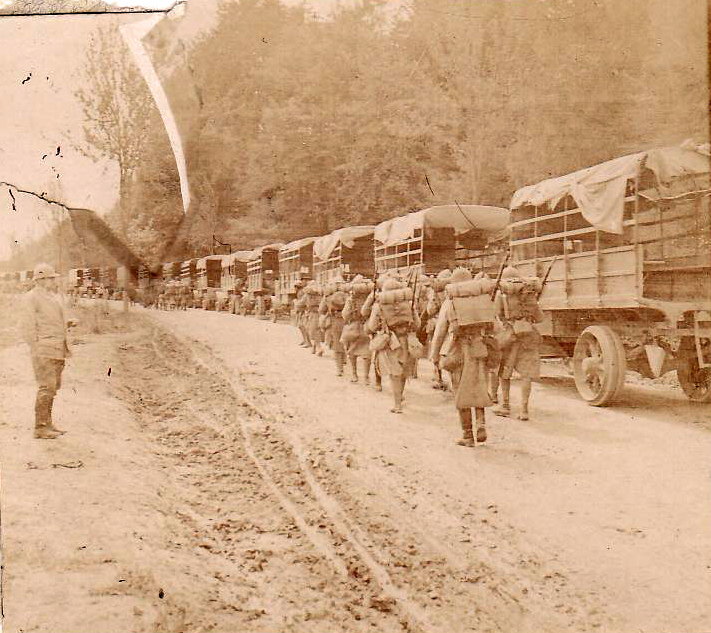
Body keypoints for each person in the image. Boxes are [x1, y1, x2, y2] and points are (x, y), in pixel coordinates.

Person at [430, 267, 496, 447]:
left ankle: (467, 435)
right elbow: (495, 326)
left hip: (458, 351)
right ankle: (481, 423)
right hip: (479, 349)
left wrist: (434, 356)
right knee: (479, 386)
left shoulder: (449, 303)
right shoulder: (483, 300)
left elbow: (440, 332)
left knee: (460, 390)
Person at [21, 263, 73, 440]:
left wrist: (68, 323)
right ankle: (40, 427)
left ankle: (48, 423)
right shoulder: (31, 298)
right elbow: (26, 326)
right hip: (44, 350)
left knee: (53, 388)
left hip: (58, 349)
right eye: (51, 278)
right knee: (46, 386)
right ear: (41, 280)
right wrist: (37, 347)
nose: (54, 281)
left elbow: (53, 320)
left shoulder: (53, 297)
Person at [492, 265, 544, 421]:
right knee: (526, 375)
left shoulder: (502, 296)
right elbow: (540, 318)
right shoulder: (530, 295)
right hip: (528, 337)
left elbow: (497, 315)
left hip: (510, 337)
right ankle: (524, 410)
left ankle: (506, 406)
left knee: (505, 373)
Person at [366, 277, 421, 413]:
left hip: (391, 341)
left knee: (394, 372)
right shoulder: (409, 304)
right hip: (407, 340)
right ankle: (400, 396)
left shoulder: (379, 306)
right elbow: (417, 324)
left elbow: (372, 326)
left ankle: (397, 404)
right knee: (403, 371)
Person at [341, 275, 374, 384]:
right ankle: (366, 376)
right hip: (367, 327)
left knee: (352, 352)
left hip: (353, 328)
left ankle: (354, 374)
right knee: (367, 354)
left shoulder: (351, 300)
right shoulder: (370, 299)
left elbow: (345, 315)